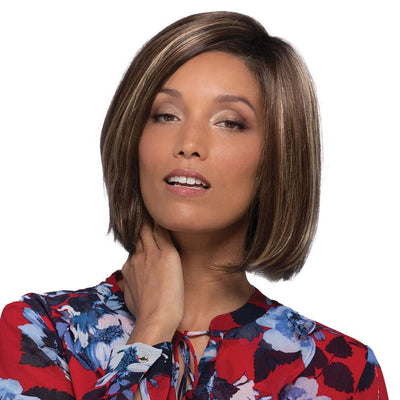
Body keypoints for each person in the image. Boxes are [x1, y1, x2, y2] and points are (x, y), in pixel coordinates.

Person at [0, 11, 388, 400]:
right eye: (166, 115)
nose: (188, 143)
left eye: (229, 122)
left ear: (279, 156)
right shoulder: (42, 331)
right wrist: (153, 328)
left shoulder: (337, 371)